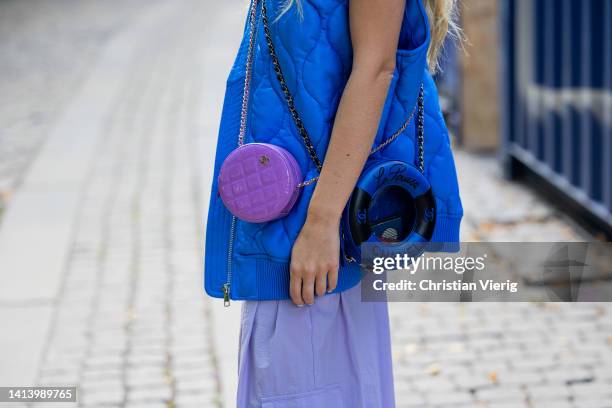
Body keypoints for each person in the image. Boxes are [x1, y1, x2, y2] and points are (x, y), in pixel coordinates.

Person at [204, 0, 463, 406]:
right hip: (293, 227)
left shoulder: (319, 231)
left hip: (317, 236)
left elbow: (376, 69)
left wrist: (322, 223)